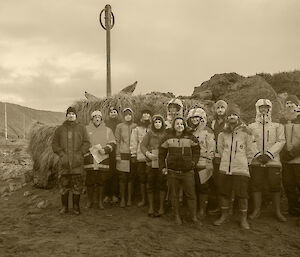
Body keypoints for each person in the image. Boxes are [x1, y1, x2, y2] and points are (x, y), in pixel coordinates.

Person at [213, 104, 257, 229]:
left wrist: (244, 163)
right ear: (227, 117)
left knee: (242, 194)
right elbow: (220, 150)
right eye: (229, 115)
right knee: (224, 193)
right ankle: (224, 216)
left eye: (234, 114)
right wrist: (227, 160)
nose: (231, 117)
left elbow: (251, 150)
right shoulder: (223, 134)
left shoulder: (246, 132)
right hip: (225, 167)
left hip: (241, 168)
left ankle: (243, 219)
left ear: (238, 116)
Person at [248, 99, 287, 222]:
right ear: (257, 109)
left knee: (275, 186)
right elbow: (250, 142)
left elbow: (281, 141)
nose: (264, 109)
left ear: (270, 108)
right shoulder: (251, 126)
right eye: (261, 107)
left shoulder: (277, 126)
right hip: (257, 161)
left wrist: (269, 155)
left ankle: (277, 211)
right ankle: (256, 210)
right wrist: (258, 155)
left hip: (273, 161)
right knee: (256, 186)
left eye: (266, 107)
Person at [159, 117, 200, 225]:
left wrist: (193, 163)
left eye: (182, 124)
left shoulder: (191, 137)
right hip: (173, 172)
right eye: (177, 124)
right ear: (173, 126)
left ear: (184, 125)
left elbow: (197, 151)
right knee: (174, 195)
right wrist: (163, 167)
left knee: (191, 194)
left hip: (187, 172)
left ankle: (193, 217)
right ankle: (177, 216)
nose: (179, 126)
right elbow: (161, 154)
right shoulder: (167, 138)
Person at [52, 107, 90, 215]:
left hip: (77, 163)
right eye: (69, 114)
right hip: (64, 163)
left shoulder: (81, 128)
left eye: (73, 114)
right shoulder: (60, 129)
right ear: (66, 116)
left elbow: (87, 143)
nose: (71, 116)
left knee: (77, 186)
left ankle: (76, 207)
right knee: (64, 186)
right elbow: (54, 144)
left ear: (76, 116)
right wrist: (61, 154)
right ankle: (64, 207)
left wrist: (80, 153)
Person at [187, 108, 215, 220]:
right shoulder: (188, 131)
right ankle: (193, 209)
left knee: (203, 187)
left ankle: (202, 210)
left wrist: (209, 161)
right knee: (192, 187)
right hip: (191, 163)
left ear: (202, 118)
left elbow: (211, 147)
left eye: (197, 117)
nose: (194, 120)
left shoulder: (208, 131)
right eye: (192, 118)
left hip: (203, 163)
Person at [84, 110, 116, 210]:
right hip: (89, 158)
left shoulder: (108, 130)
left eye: (99, 117)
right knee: (90, 181)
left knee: (101, 181)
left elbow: (113, 143)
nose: (97, 119)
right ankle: (90, 201)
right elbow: (83, 142)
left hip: (102, 159)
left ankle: (100, 201)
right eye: (95, 117)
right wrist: (87, 149)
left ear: (101, 119)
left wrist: (105, 150)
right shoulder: (85, 129)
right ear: (92, 119)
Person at [140, 115, 167, 216]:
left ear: (162, 123)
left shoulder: (166, 134)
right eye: (155, 122)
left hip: (162, 162)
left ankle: (161, 207)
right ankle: (151, 207)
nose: (157, 124)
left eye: (159, 122)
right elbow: (142, 145)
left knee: (162, 184)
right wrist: (148, 154)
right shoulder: (149, 134)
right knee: (150, 183)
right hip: (151, 162)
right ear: (153, 124)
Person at [280, 95, 300, 223]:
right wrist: (284, 155)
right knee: (289, 185)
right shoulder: (282, 121)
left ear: (298, 106)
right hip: (286, 161)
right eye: (287, 103)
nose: (289, 105)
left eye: (292, 103)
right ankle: (294, 209)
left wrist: (293, 153)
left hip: (298, 160)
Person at [115, 108, 137, 208]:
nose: (128, 116)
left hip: (132, 154)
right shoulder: (119, 126)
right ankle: (123, 198)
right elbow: (117, 141)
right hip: (123, 153)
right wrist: (117, 154)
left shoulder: (135, 126)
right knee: (123, 177)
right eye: (126, 115)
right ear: (123, 116)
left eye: (130, 114)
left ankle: (129, 199)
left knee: (131, 177)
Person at [130, 109, 152, 207]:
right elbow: (134, 142)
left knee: (151, 178)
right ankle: (143, 199)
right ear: (141, 116)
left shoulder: (153, 127)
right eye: (144, 113)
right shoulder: (137, 129)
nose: (146, 115)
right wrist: (133, 154)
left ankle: (151, 199)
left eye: (148, 113)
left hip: (152, 157)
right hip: (141, 157)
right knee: (142, 179)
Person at [210, 100, 228, 214]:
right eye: (218, 108)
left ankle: (227, 207)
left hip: (226, 155)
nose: (220, 110)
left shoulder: (228, 122)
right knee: (217, 181)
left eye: (222, 107)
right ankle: (219, 205)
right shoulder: (212, 122)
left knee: (226, 181)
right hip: (215, 155)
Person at [104, 107, 121, 204]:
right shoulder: (105, 124)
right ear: (109, 114)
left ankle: (115, 194)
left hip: (117, 151)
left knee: (116, 173)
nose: (113, 114)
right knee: (107, 172)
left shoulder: (120, 123)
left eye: (115, 112)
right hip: (107, 150)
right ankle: (107, 194)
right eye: (111, 112)